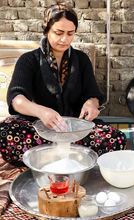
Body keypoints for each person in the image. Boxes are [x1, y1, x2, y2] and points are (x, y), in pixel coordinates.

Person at [0, 4, 126, 166]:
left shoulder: (81, 60)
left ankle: (46, 157)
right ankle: (72, 157)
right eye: (58, 33)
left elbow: (92, 94)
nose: (64, 39)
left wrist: (91, 104)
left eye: (70, 33)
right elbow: (16, 98)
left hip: (74, 129)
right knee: (6, 132)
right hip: (38, 128)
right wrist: (41, 112)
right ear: (46, 30)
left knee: (116, 138)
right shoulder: (28, 60)